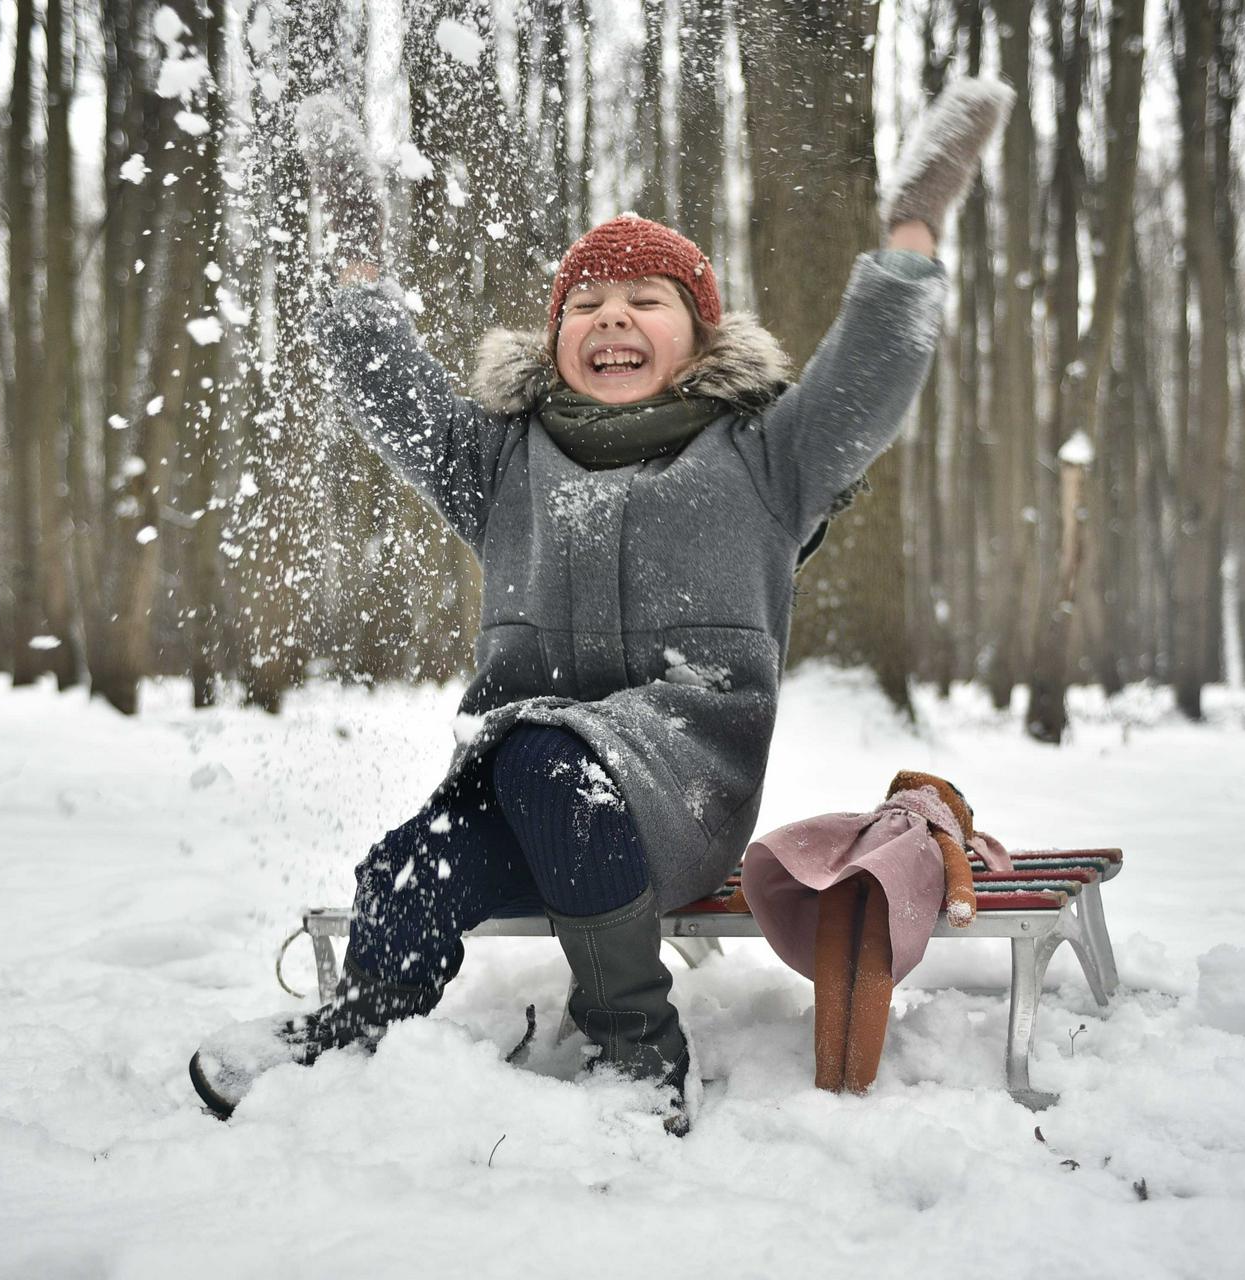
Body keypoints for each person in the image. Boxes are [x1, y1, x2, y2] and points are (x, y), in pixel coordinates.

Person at [191, 79, 1015, 1134]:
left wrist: (912, 232)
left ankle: (639, 1046)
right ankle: (355, 1028)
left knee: (543, 763)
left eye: (647, 299)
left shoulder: (767, 457)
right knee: (414, 857)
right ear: (557, 337)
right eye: (586, 302)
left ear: (699, 335)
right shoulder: (500, 462)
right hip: (530, 778)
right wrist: (355, 254)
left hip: (681, 797)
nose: (612, 313)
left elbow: (867, 377)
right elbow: (391, 389)